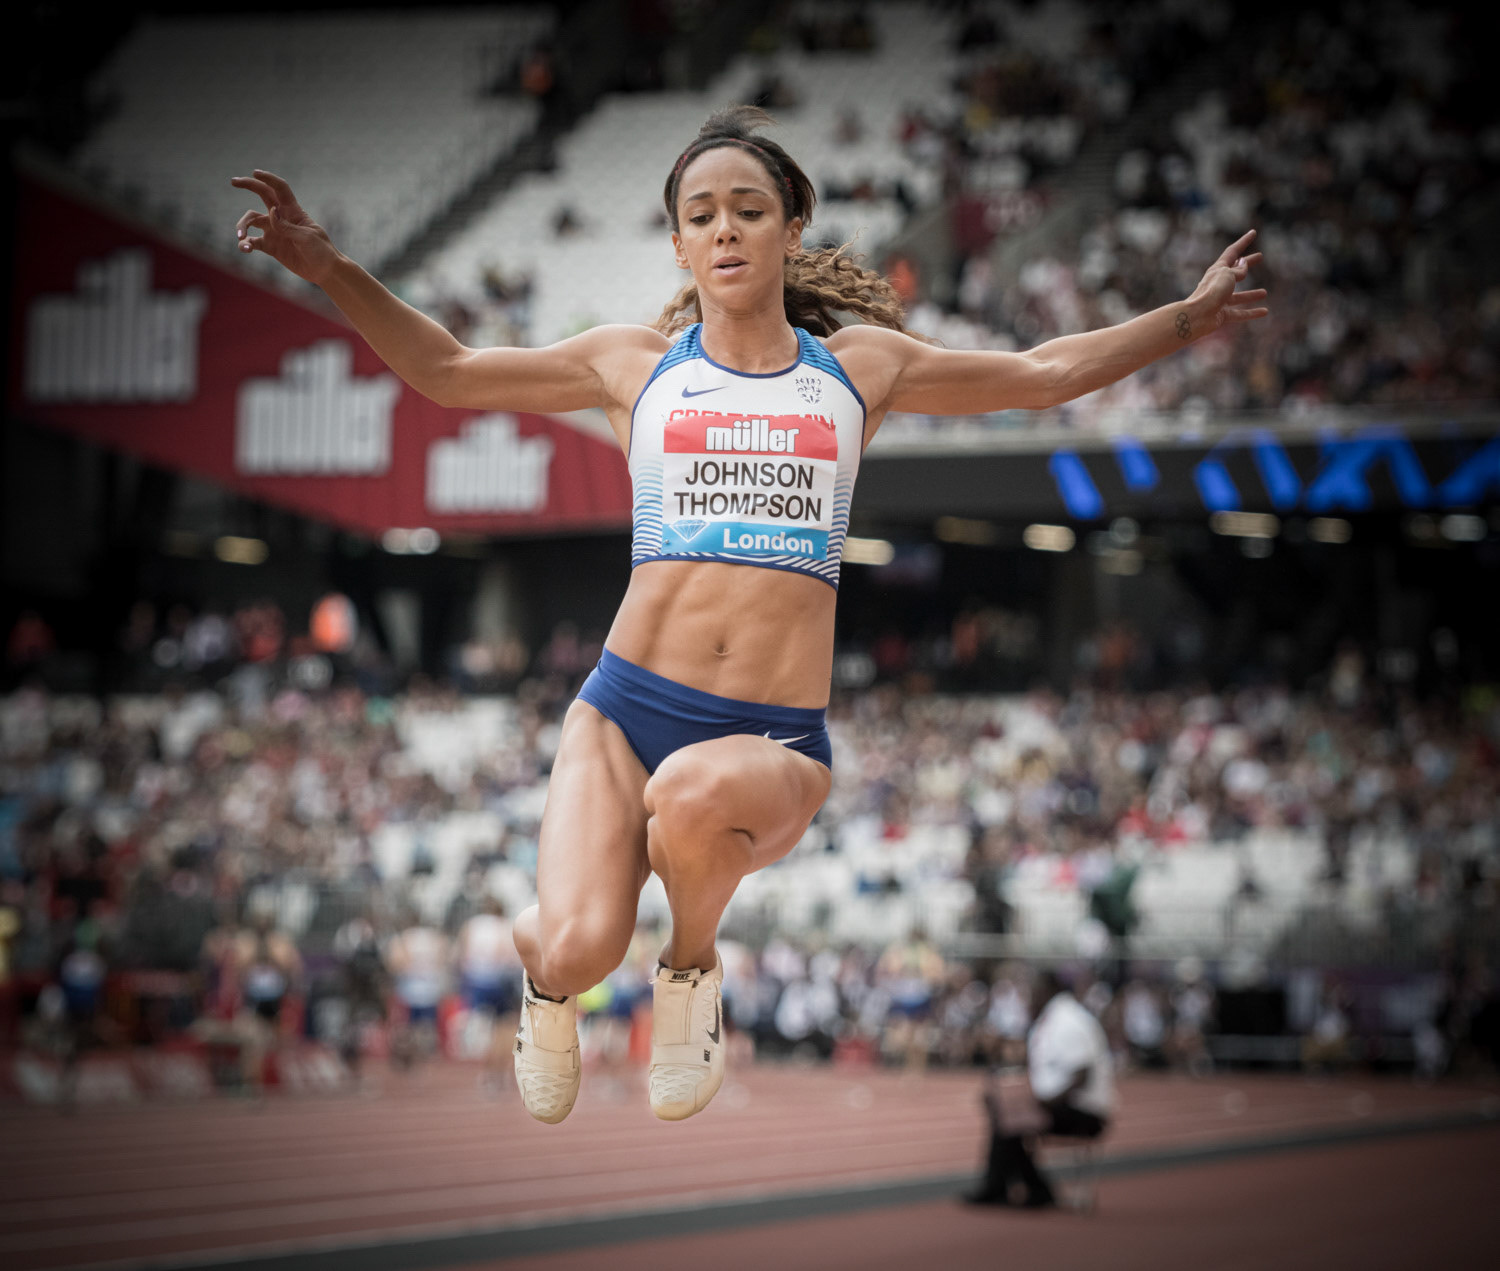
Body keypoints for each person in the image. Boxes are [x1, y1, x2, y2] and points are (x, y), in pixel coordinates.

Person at [231, 105, 1266, 1124]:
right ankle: (545, 985)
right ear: (680, 243)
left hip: (770, 739)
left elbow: (1044, 375)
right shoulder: (630, 365)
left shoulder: (860, 368)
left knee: (689, 792)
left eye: (749, 208)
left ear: (791, 227)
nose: (726, 228)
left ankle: (691, 972)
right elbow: (447, 372)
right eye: (703, 213)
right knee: (579, 945)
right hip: (620, 710)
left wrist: (1188, 316)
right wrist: (330, 268)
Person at [967, 970, 1115, 1208]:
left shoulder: (1070, 1021)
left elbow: (1082, 1075)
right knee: (1003, 1109)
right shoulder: (1051, 1019)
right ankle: (1014, 1187)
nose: (1028, 997)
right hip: (1059, 1103)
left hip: (1082, 1111)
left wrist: (1044, 1102)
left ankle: (1016, 1188)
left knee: (1011, 1118)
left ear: (1049, 989)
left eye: (1032, 991)